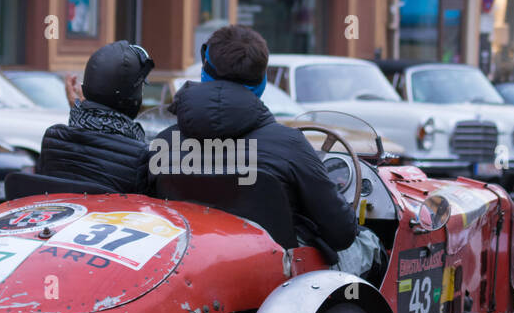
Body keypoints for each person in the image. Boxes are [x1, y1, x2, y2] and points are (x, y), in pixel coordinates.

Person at [161, 24, 384, 278]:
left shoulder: (163, 144)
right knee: (370, 243)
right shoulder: (289, 145)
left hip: (185, 272)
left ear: (204, 72)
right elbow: (342, 233)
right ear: (262, 82)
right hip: (274, 277)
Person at [36, 40, 154, 194]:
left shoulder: (52, 139)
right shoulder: (141, 157)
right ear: (132, 97)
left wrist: (79, 108)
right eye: (141, 89)